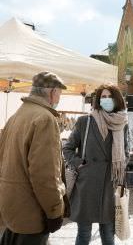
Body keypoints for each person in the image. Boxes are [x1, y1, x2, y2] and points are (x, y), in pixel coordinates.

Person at [0, 71, 68, 244]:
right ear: (52, 92)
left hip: (11, 209)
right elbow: (45, 175)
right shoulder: (45, 119)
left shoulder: (16, 117)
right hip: (31, 213)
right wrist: (54, 211)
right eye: (59, 92)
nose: (59, 96)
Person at [63, 84, 129, 245]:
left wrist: (121, 164)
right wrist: (79, 164)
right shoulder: (85, 121)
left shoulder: (122, 123)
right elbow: (68, 148)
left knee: (108, 234)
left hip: (110, 184)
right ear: (98, 100)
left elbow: (126, 152)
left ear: (117, 99)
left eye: (109, 97)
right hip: (86, 184)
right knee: (84, 234)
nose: (106, 100)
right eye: (103, 97)